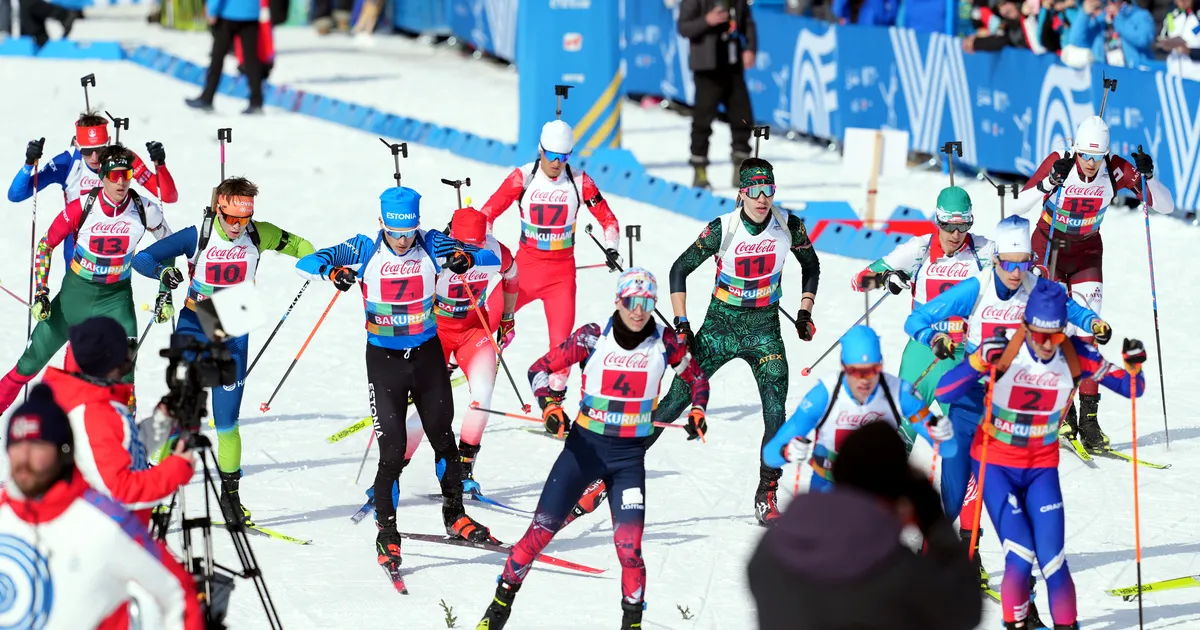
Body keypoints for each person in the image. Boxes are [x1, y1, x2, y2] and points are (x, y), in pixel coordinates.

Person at [574, 157, 817, 527]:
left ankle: (766, 493)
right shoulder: (724, 229)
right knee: (673, 402)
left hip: (765, 329)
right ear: (742, 192)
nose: (762, 198)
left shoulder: (789, 225)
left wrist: (804, 311)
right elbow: (679, 269)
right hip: (721, 326)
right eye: (754, 190)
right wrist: (683, 323)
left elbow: (811, 265)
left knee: (775, 413)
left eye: (769, 189)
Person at [475, 268, 710, 630]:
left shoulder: (666, 342)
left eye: (646, 303)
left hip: (628, 461)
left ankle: (631, 624)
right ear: (618, 301)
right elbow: (539, 370)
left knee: (629, 550)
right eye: (631, 302)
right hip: (583, 452)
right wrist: (550, 407)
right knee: (539, 533)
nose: (638, 311)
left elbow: (696, 378)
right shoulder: (592, 336)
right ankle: (497, 611)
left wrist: (698, 410)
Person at [296, 186, 503, 577]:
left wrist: (463, 257)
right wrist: (333, 270)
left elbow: (488, 258)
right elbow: (308, 261)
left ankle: (454, 516)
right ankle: (387, 532)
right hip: (385, 363)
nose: (404, 241)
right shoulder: (364, 248)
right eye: (396, 233)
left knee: (444, 440)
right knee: (392, 452)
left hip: (427, 358)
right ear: (382, 224)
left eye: (409, 233)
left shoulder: (431, 243)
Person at [904, 215, 1105, 583]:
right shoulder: (975, 288)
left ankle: (970, 553)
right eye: (1010, 263)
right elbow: (916, 319)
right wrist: (935, 339)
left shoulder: (1036, 285)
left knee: (993, 484)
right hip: (969, 396)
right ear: (996, 259)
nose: (1017, 271)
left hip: (1010, 402)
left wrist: (1092, 322)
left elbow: (1069, 306)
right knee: (956, 483)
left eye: (1024, 262)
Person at [935, 281, 1147, 630]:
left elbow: (1132, 387)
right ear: (1026, 325)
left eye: (1054, 334)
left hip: (1041, 470)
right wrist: (975, 360)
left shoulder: (1078, 353)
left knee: (1053, 562)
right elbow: (945, 389)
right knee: (1019, 559)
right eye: (1037, 334)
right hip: (998, 467)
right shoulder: (1003, 349)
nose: (1046, 344)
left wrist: (1134, 365)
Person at [132, 176, 314, 526]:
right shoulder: (197, 234)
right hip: (196, 319)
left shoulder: (260, 234)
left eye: (245, 220)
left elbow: (302, 246)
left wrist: (319, 265)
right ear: (220, 209)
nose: (238, 228)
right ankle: (152, 485)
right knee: (180, 406)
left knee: (227, 421)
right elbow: (143, 260)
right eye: (232, 219)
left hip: (234, 319)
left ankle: (231, 499)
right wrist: (163, 273)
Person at [1009, 116, 1172, 451]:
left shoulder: (1114, 168)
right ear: (1076, 149)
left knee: (1090, 333)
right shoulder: (1060, 162)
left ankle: (1089, 420)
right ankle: (1061, 410)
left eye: (1096, 158)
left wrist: (1149, 178)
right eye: (1084, 156)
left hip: (1085, 254)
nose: (1089, 164)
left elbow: (1166, 206)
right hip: (1049, 248)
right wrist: (1047, 184)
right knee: (1052, 328)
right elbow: (1017, 206)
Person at [0, 384, 204, 630]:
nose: (24, 459)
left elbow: (177, 593)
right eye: (17, 447)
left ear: (64, 452)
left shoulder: (104, 522)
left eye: (37, 447)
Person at [747, 421, 983, 630]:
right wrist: (933, 518)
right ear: (898, 490)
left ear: (838, 475)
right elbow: (965, 608)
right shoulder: (896, 571)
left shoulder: (770, 551)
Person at [0, 145, 176, 415]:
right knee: (29, 364)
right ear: (103, 176)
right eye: (114, 174)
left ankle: (129, 449)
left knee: (125, 379)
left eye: (126, 174)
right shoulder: (83, 206)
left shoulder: (144, 208)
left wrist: (165, 293)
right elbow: (46, 245)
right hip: (75, 297)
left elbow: (170, 246)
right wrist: (41, 293)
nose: (121, 181)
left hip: (117, 299)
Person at [480, 119, 621, 406]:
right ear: (540, 151)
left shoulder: (581, 181)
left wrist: (612, 248)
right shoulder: (522, 177)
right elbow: (487, 215)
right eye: (552, 155)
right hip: (523, 272)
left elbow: (609, 221)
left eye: (564, 156)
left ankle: (553, 403)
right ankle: (447, 368)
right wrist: (489, 251)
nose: (557, 163)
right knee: (482, 320)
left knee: (561, 347)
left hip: (561, 277)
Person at [850, 186, 995, 445]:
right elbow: (860, 281)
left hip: (965, 354)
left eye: (963, 226)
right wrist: (887, 278)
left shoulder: (984, 251)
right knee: (903, 425)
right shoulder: (919, 249)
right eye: (948, 225)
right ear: (937, 220)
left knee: (973, 438)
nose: (955, 234)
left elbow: (1024, 268)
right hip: (924, 349)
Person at [402, 207, 518, 495]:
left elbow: (512, 278)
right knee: (424, 408)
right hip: (436, 332)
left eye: (476, 245)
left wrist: (508, 317)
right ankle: (393, 471)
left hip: (473, 330)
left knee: (483, 397)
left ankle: (464, 469)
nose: (469, 251)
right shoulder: (434, 249)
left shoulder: (495, 251)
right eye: (464, 245)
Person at [761, 325, 955, 491]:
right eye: (855, 372)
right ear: (843, 366)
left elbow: (948, 449)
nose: (864, 380)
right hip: (828, 488)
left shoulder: (900, 392)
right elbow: (770, 455)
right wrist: (786, 452)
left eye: (872, 371)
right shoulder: (824, 394)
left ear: (881, 365)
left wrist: (942, 435)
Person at [40, 316, 195, 521]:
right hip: (103, 538)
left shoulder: (98, 400)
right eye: (125, 348)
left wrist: (162, 420)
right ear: (111, 358)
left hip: (119, 532)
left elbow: (124, 450)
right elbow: (121, 492)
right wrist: (175, 470)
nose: (130, 355)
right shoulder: (93, 412)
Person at [10, 112, 177, 265]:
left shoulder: (123, 160)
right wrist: (29, 162)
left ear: (109, 141)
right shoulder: (67, 162)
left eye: (100, 149)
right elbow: (16, 195)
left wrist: (160, 165)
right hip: (78, 239)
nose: (95, 157)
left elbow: (168, 196)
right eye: (87, 151)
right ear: (76, 144)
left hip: (118, 236)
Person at [677, 0, 757, 189]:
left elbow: (747, 22)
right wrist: (707, 20)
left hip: (732, 65)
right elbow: (684, 27)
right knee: (703, 121)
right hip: (707, 69)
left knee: (742, 118)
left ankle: (741, 168)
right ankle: (700, 170)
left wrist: (751, 48)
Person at [186, 0, 264, 114]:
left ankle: (207, 98)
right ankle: (256, 102)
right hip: (251, 12)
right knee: (251, 60)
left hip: (228, 12)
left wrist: (212, 10)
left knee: (217, 58)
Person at [1066, 0, 1156, 67]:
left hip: (1135, 76)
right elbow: (1075, 41)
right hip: (1108, 79)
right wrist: (1084, 14)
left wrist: (1118, 17)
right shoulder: (1100, 22)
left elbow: (1143, 40)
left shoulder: (1140, 15)